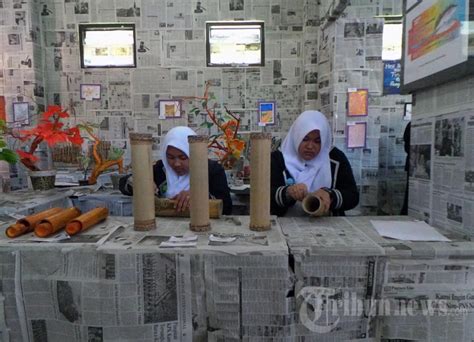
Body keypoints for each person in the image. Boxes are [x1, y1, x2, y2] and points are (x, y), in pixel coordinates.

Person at [119, 126, 232, 214]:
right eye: (171, 157)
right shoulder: (161, 169)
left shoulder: (212, 170)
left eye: (183, 157)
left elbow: (227, 207)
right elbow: (123, 183)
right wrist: (139, 183)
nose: (176, 164)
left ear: (193, 153)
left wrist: (198, 195)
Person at [270, 110, 359, 216]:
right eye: (305, 139)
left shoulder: (335, 158)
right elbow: (264, 196)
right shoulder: (278, 158)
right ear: (296, 136)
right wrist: (288, 192)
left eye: (317, 141)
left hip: (328, 225)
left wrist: (330, 195)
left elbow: (353, 196)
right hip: (288, 224)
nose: (310, 146)